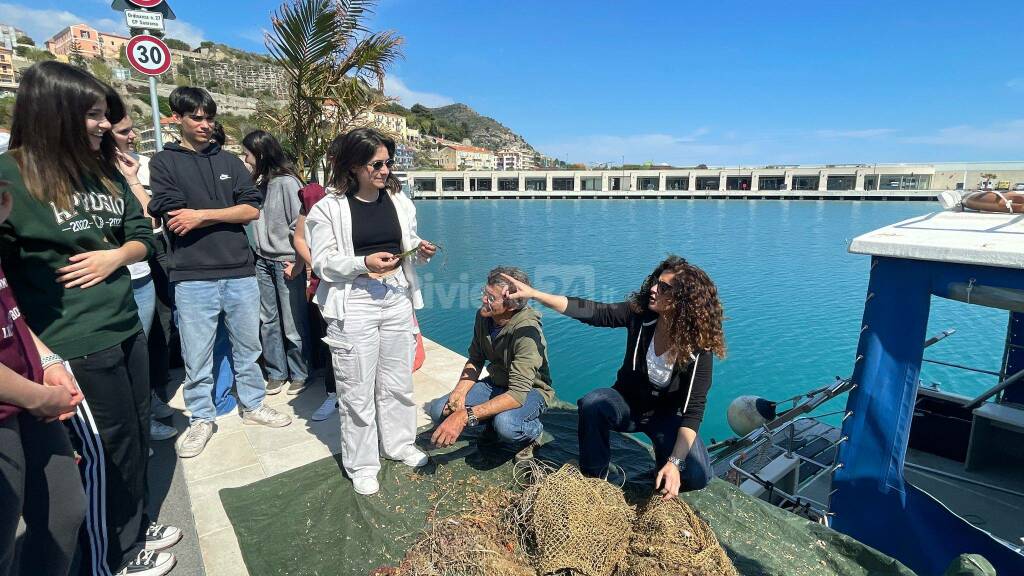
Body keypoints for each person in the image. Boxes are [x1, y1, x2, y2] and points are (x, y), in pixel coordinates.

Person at [0, 61, 178, 576]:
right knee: (104, 450)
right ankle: (112, 557)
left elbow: (144, 232)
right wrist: (41, 352)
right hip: (71, 341)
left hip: (126, 325)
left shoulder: (100, 171)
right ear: (57, 111)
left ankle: (134, 524)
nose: (104, 125)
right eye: (94, 115)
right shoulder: (11, 175)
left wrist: (115, 257)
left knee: (137, 434)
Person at [499, 255, 725, 499]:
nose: (653, 289)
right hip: (627, 402)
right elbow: (593, 312)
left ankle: (657, 476)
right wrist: (535, 294)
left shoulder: (698, 349)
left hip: (665, 416)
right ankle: (595, 477)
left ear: (683, 300)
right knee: (593, 403)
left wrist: (674, 462)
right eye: (655, 282)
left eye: (664, 287)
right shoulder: (640, 315)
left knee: (698, 475)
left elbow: (693, 412)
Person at [148, 86, 291, 460]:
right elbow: (171, 214)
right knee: (197, 353)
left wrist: (202, 215)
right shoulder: (164, 162)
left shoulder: (229, 162)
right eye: (196, 117)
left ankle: (253, 404)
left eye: (209, 118)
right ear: (177, 118)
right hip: (192, 275)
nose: (205, 125)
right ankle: (201, 418)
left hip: (240, 270)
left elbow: (251, 210)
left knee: (249, 346)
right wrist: (220, 212)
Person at [305, 127, 435, 495]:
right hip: (354, 301)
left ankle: (398, 444)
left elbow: (406, 244)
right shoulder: (328, 209)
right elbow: (323, 263)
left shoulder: (399, 201)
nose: (385, 170)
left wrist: (419, 252)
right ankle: (362, 463)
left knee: (397, 380)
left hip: (395, 295)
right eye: (377, 164)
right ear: (354, 166)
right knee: (356, 386)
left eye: (388, 163)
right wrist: (363, 264)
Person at [0, 179, 87, 576]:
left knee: (64, 512)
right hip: (16, 407)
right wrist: (36, 397)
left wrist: (48, 361)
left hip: (31, 402)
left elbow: (12, 316)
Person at [428, 267, 554, 460]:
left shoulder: (527, 333)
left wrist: (465, 415)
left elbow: (517, 395)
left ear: (511, 305)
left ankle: (535, 431)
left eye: (491, 298)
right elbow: (476, 359)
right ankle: (489, 422)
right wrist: (459, 393)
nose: (484, 300)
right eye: (484, 293)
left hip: (529, 391)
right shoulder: (484, 316)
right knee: (440, 410)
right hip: (496, 384)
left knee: (507, 425)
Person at [108, 106, 178, 444]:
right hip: (109, 282)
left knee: (141, 349)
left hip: (140, 275)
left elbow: (152, 221)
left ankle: (146, 409)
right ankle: (131, 427)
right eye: (125, 132)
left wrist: (133, 179)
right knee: (116, 358)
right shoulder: (87, 176)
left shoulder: (129, 169)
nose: (133, 136)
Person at [242, 130, 311, 396]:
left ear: (260, 154)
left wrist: (297, 262)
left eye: (248, 155)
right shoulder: (261, 184)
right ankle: (276, 372)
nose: (245, 160)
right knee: (267, 320)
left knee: (293, 321)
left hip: (285, 260)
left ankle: (300, 372)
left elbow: (300, 226)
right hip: (262, 260)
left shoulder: (286, 183)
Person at [294, 136, 340, 421]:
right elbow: (299, 238)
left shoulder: (369, 194)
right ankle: (332, 394)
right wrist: (317, 265)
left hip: (360, 285)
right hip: (325, 284)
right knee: (332, 343)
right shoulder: (315, 195)